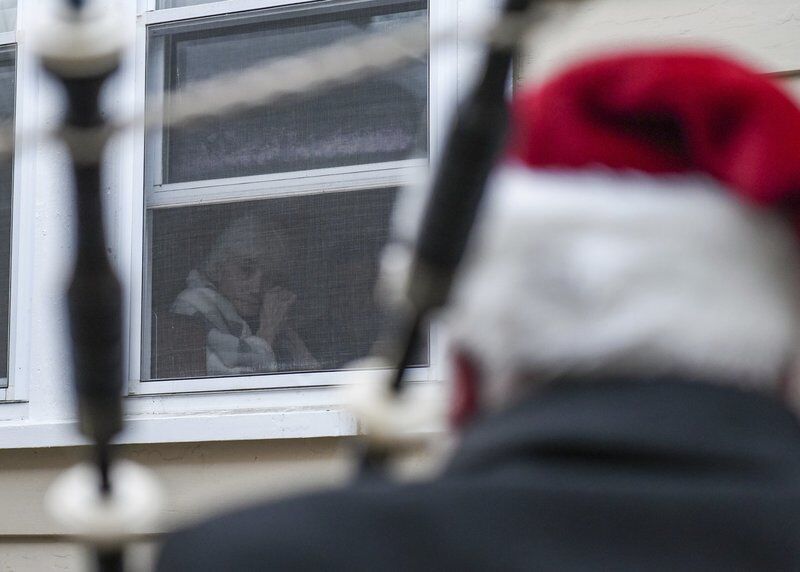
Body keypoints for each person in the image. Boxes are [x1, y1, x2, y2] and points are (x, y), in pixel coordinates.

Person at [156, 51, 800, 570]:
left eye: (268, 272)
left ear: (461, 378)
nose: (257, 285)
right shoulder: (193, 322)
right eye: (246, 270)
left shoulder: (252, 558)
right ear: (785, 363)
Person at [157, 215, 318, 378]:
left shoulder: (260, 316)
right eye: (246, 269)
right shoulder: (193, 305)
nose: (256, 288)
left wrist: (285, 331)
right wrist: (268, 331)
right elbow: (237, 385)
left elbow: (311, 377)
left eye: (269, 278)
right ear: (218, 267)